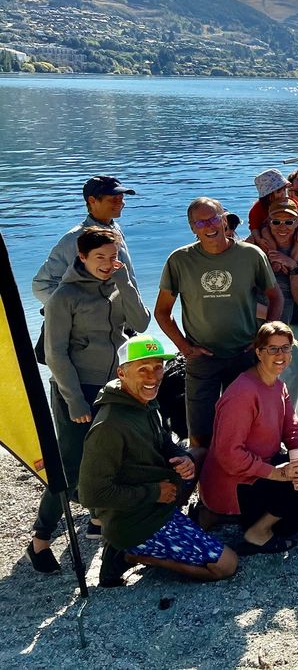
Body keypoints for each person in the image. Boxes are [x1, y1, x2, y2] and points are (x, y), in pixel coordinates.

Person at [27, 227, 151, 573]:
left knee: (112, 458)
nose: (108, 263)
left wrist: (125, 284)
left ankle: (99, 522)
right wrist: (74, 402)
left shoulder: (117, 283)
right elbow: (56, 354)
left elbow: (140, 324)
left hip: (113, 387)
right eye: (100, 258)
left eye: (113, 256)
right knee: (69, 467)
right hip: (77, 390)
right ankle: (40, 540)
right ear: (81, 257)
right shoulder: (64, 297)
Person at [77, 335, 238, 587]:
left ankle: (202, 514)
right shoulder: (109, 426)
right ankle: (133, 555)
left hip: (157, 497)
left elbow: (164, 441)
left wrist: (182, 458)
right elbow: (91, 494)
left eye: (158, 367)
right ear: (122, 373)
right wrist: (154, 493)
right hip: (135, 521)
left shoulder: (144, 401)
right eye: (142, 370)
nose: (153, 377)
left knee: (200, 454)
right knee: (226, 565)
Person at [154, 197, 281, 446]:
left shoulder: (250, 255)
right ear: (192, 227)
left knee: (248, 427)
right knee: (200, 433)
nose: (208, 226)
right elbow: (162, 312)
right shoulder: (179, 260)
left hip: (245, 354)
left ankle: (247, 479)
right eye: (200, 222)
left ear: (224, 219)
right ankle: (206, 478)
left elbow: (275, 298)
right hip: (202, 359)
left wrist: (264, 339)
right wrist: (184, 347)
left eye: (213, 218)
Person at [200, 322, 298, 554]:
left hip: (260, 469)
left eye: (285, 348)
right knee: (291, 515)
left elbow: (293, 430)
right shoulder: (242, 393)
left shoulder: (278, 385)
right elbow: (229, 455)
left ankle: (257, 520)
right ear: (258, 352)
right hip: (235, 484)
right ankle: (255, 533)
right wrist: (277, 474)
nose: (281, 355)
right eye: (272, 349)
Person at [33, 175, 138, 306]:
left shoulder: (115, 229)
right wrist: (75, 313)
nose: (120, 203)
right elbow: (42, 285)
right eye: (113, 199)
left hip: (120, 321)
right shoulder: (75, 238)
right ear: (92, 200)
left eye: (121, 198)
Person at [261, 201, 298, 428]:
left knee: (294, 379)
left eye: (289, 221)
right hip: (263, 326)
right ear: (268, 223)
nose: (282, 227)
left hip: (296, 324)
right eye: (276, 221)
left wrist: (292, 267)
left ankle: (288, 429)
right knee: (262, 382)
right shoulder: (257, 250)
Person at [247, 169, 298, 264]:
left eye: (284, 190)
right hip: (267, 231)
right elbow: (254, 226)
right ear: (268, 195)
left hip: (289, 230)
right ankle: (275, 260)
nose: (283, 193)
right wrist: (259, 239)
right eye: (279, 191)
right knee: (265, 231)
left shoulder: (290, 203)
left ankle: (290, 262)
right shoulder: (258, 208)